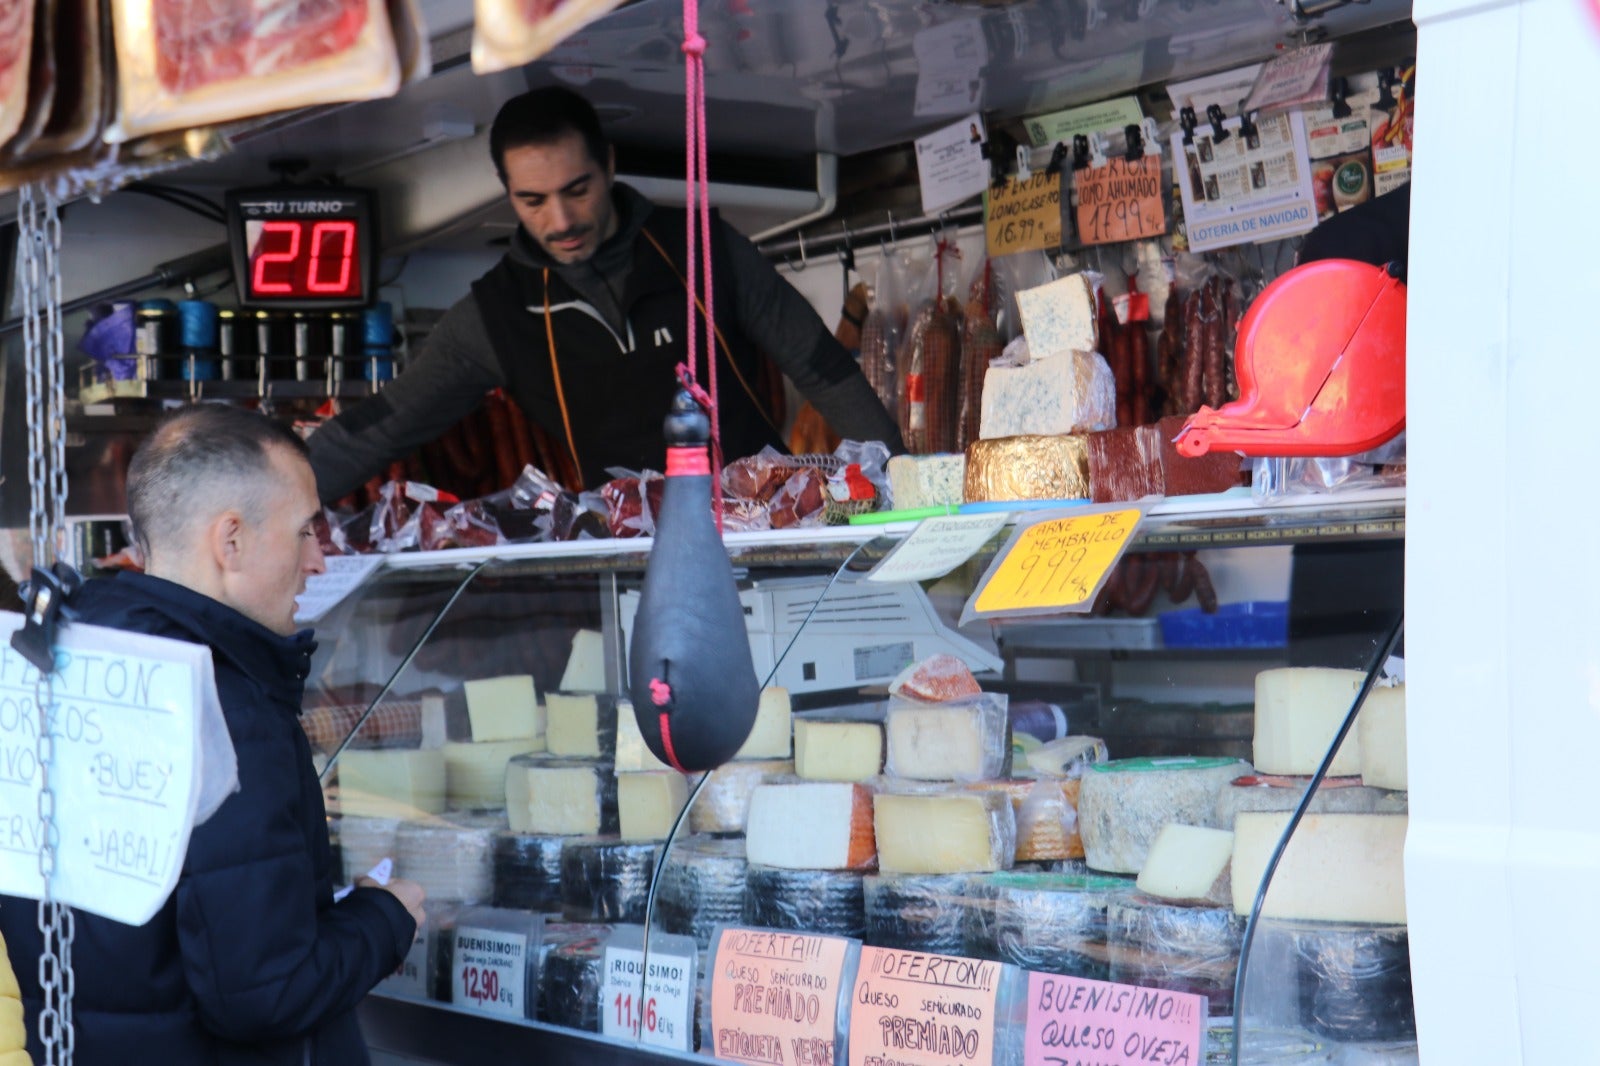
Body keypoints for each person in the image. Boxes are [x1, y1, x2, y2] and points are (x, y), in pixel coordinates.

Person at [0, 406, 425, 1065]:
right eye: (305, 530)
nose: (318, 559)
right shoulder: (225, 706)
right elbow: (264, 995)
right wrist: (387, 918)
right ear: (230, 540)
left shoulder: (70, 669)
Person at [308, 86, 904, 497]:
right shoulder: (495, 315)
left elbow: (823, 370)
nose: (561, 220)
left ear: (609, 166)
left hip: (767, 538)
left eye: (577, 189)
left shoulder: (705, 249)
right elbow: (380, 428)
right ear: (508, 193)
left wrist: (900, 493)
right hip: (629, 568)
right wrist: (260, 503)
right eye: (533, 201)